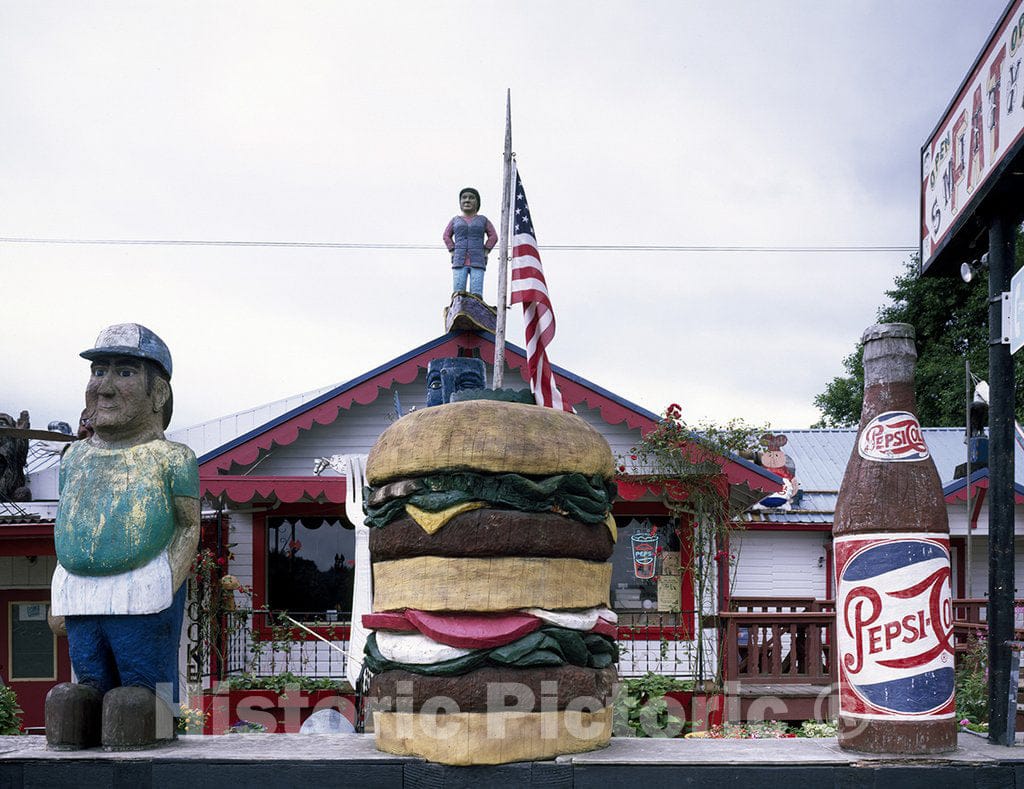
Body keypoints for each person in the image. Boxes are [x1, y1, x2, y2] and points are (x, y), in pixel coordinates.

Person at [46, 323, 199, 750]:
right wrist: (55, 595)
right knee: (78, 693)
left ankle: (154, 713)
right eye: (98, 371)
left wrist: (168, 580)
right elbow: (67, 524)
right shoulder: (74, 456)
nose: (105, 387)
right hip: (78, 590)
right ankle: (92, 703)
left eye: (125, 373)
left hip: (144, 587)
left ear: (159, 393)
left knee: (136, 695)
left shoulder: (172, 457)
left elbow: (189, 524)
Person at [442, 187, 497, 296]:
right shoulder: (455, 220)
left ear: (477, 202)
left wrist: (486, 251)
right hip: (459, 261)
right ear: (460, 202)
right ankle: (459, 305)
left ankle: (475, 307)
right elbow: (446, 236)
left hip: (477, 260)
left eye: (471, 198)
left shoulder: (483, 220)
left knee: (476, 292)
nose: (467, 200)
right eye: (464, 198)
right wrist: (452, 250)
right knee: (458, 291)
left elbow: (493, 236)